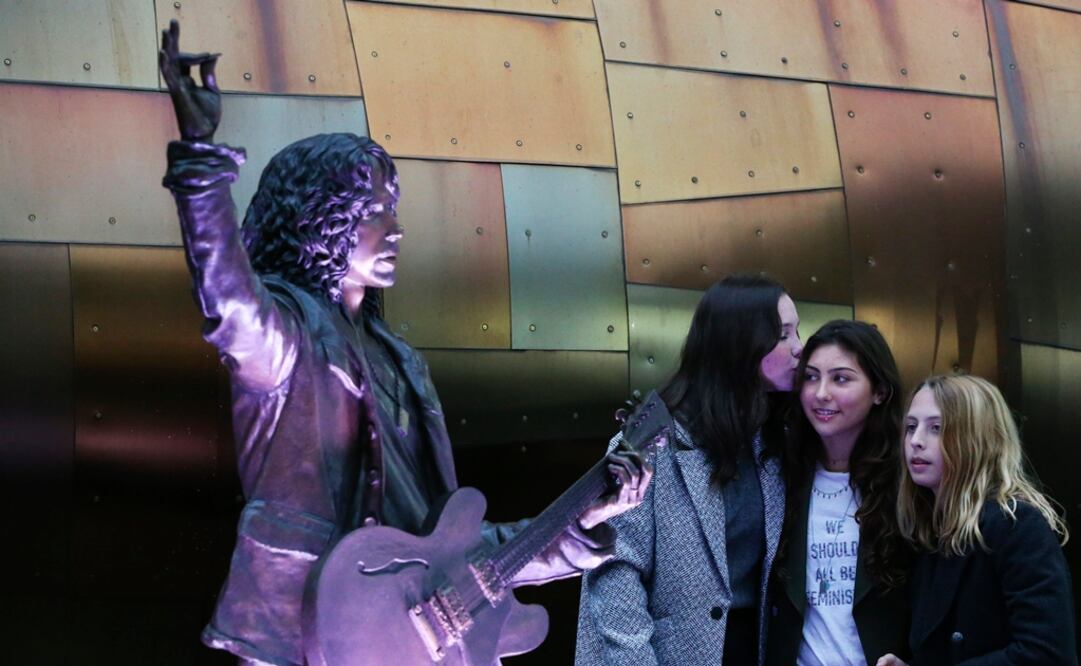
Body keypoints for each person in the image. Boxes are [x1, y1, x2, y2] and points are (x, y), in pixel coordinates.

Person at [157, 21, 652, 666]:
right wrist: (201, 165)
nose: (393, 227)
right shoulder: (289, 338)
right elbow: (231, 305)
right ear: (320, 219)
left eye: (391, 206)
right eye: (372, 211)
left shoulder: (402, 363)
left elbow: (452, 552)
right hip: (296, 639)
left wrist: (581, 520)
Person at [576, 275, 802, 666]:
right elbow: (615, 573)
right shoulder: (648, 445)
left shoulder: (774, 439)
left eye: (797, 332)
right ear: (741, 344)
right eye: (783, 335)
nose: (799, 348)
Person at [882, 375, 1076, 665]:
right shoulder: (929, 526)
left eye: (937, 428)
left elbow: (1047, 653)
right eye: (911, 427)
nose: (916, 441)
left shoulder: (1016, 523)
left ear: (976, 437)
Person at [765, 320, 911, 666]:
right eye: (811, 377)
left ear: (880, 391)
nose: (820, 393)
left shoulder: (906, 481)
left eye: (841, 378)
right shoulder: (780, 475)